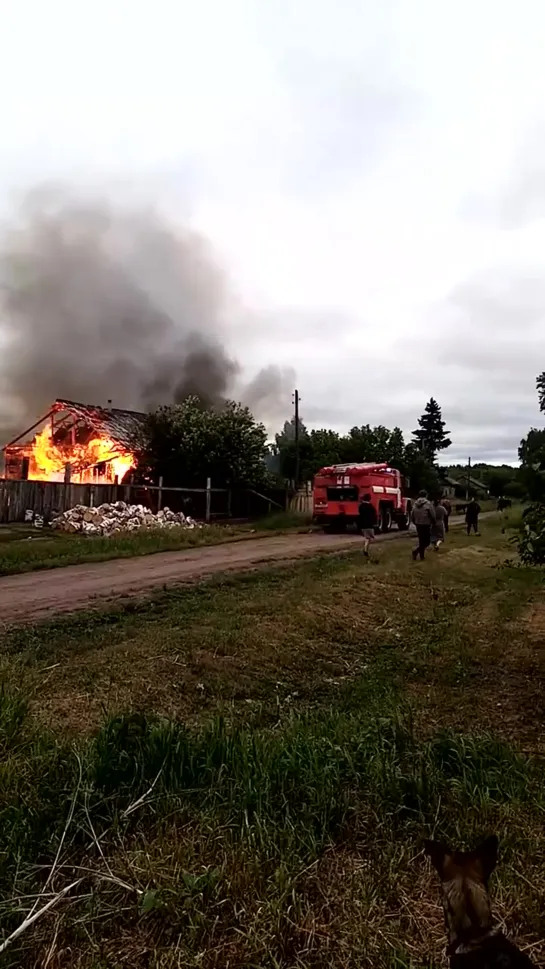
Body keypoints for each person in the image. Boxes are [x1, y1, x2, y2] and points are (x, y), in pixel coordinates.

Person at [411, 489, 436, 560]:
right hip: (426, 524)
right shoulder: (428, 503)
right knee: (427, 541)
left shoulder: (415, 504)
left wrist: (414, 522)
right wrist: (434, 522)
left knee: (421, 540)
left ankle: (421, 556)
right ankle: (416, 551)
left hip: (418, 524)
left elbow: (412, 514)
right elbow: (432, 514)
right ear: (426, 495)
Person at [357, 492, 377, 557]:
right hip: (369, 525)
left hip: (363, 526)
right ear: (369, 499)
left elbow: (359, 515)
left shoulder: (361, 506)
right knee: (369, 538)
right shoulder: (371, 507)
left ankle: (365, 550)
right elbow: (374, 515)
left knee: (367, 538)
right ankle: (365, 550)